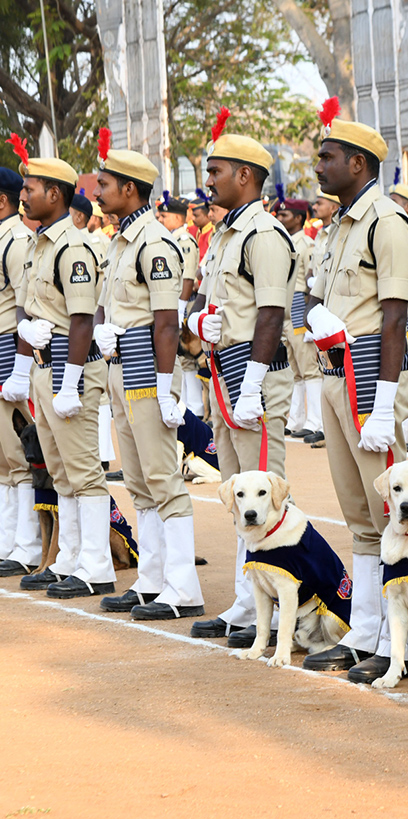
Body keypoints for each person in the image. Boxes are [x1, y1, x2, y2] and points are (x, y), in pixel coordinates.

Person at [302, 110, 408, 681]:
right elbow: (313, 297)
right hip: (331, 374)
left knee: (392, 512)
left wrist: (384, 401)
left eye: (327, 156)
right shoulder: (337, 227)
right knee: (359, 514)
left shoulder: (388, 223)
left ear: (358, 163)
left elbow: (395, 318)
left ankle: (405, 639)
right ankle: (369, 629)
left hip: (368, 375)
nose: (317, 165)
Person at [186, 113, 297, 644]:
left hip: (256, 377)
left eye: (217, 171)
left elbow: (271, 314)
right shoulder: (227, 233)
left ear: (246, 177)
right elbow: (216, 301)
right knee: (237, 494)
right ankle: (245, 601)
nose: (209, 181)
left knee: (265, 495)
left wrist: (252, 382)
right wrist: (197, 319)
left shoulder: (264, 233)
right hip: (225, 374)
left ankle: (271, 611)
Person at [92, 140, 206, 619]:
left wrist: (164, 387)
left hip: (145, 372)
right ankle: (152, 579)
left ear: (130, 189)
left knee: (162, 478)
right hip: (121, 370)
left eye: (104, 184)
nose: (97, 191)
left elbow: (164, 320)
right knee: (139, 481)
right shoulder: (123, 240)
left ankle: (183, 586)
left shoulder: (154, 242)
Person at [10, 142, 116, 598]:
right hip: (42, 365)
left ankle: (95, 563)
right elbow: (29, 308)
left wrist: (69, 381)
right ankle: (71, 556)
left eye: (31, 188)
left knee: (83, 470)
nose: (24, 195)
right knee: (61, 471)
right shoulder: (40, 242)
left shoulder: (73, 245)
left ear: (55, 194)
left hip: (70, 370)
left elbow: (80, 319)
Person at [0, 165, 41, 577]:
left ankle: (27, 545)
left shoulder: (15, 240)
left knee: (17, 455)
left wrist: (18, 368)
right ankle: (8, 539)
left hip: (10, 350)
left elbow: (24, 308)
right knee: (1, 458)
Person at [274, 197, 322, 441]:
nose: (280, 218)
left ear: (299, 218)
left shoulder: (306, 244)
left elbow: (310, 286)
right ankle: (296, 419)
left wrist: (307, 321)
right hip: (284, 313)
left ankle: (315, 421)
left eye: (285, 215)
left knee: (310, 370)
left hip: (299, 311)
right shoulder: (283, 243)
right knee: (294, 370)